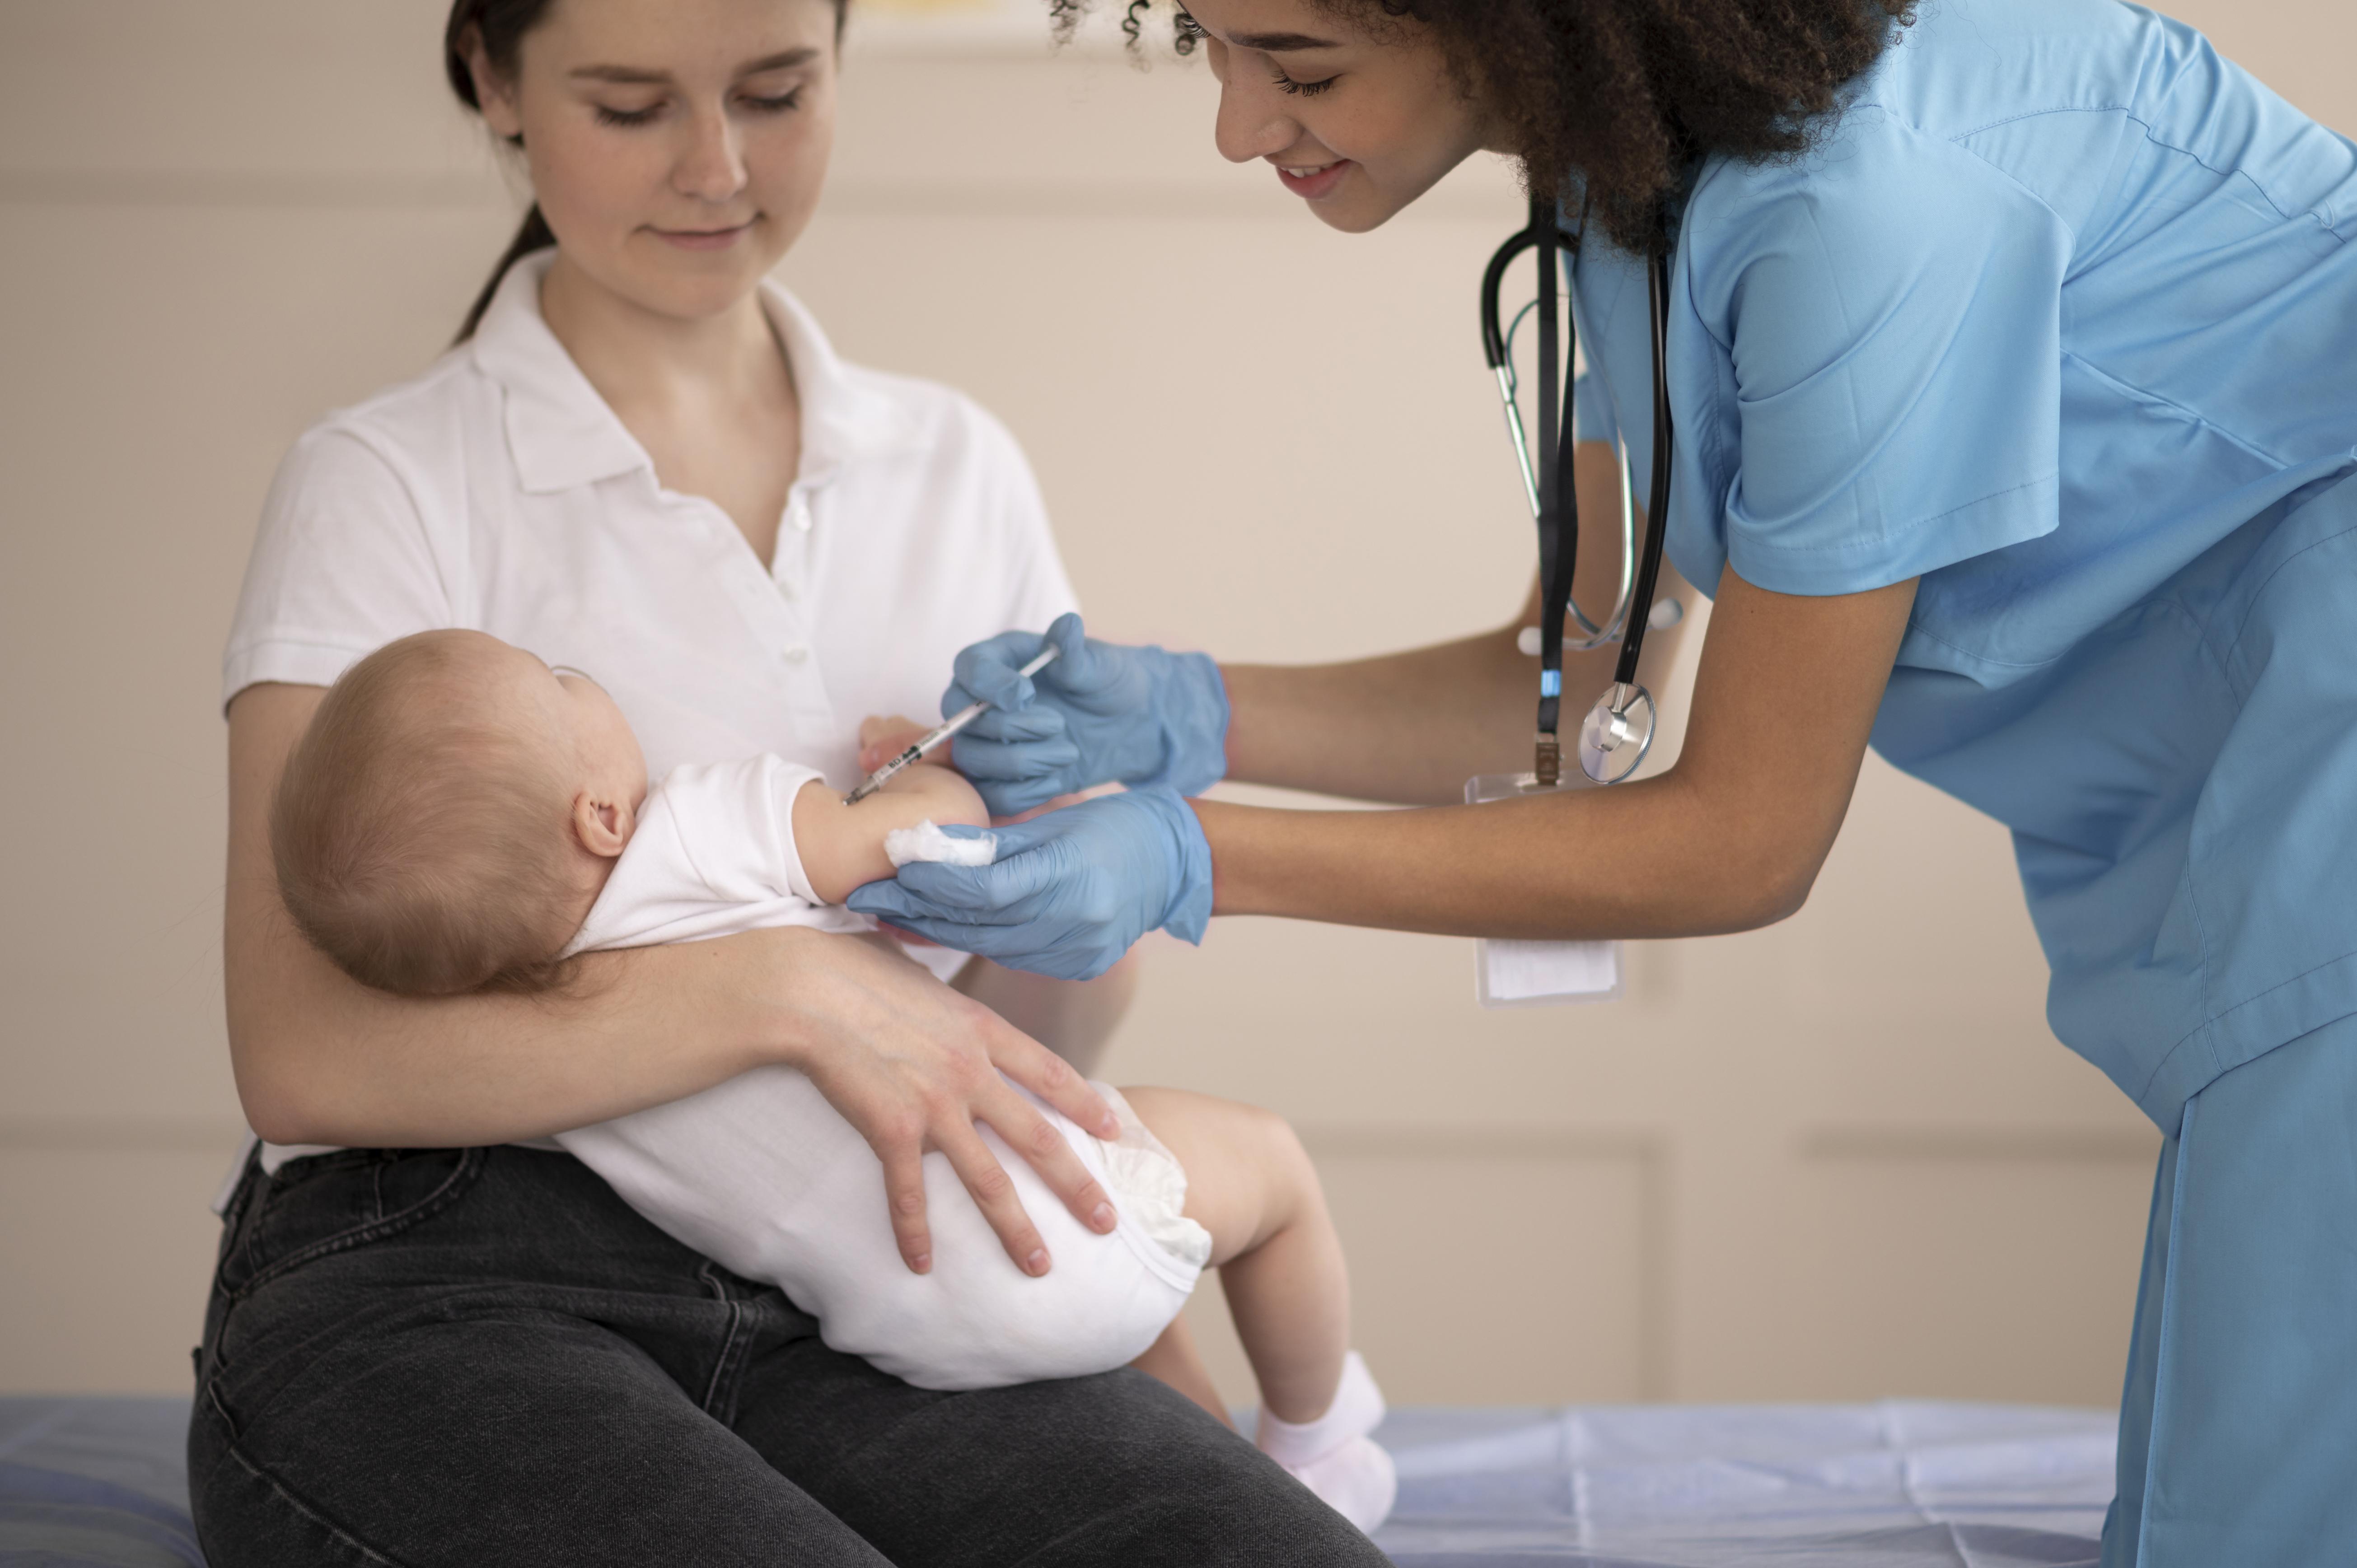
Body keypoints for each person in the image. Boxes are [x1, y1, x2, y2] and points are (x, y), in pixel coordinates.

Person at [844, 1, 2357, 1564]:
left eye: (1297, 69)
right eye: (1209, 52)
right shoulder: (1626, 180)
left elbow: (1741, 841)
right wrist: (1176, 712)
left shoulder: (1861, 207)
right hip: (2248, 830)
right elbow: (1565, 686)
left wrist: (1182, 856)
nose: (1235, 125)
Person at [191, 0, 1394, 1559]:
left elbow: (1017, 1029)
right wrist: (785, 991)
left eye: (774, 92)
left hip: (871, 1269)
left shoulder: (952, 468)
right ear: (491, 75)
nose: (714, 166)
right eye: (629, 107)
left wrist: (1048, 889)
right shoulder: (388, 480)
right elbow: (305, 1057)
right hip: (453, 1260)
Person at [263, 626, 1398, 1529]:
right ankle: (1318, 1438)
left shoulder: (539, 1038)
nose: (584, 675)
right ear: (600, 813)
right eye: (560, 678)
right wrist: (933, 782)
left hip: (908, 1327)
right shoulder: (702, 823)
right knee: (1274, 1172)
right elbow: (921, 853)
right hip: (1059, 1230)